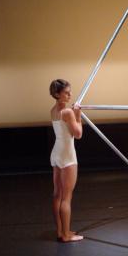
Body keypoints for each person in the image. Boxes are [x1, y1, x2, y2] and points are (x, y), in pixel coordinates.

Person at [50, 79, 83, 242]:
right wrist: (78, 115)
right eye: (66, 92)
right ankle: (66, 235)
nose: (70, 95)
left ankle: (61, 230)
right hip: (67, 154)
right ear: (57, 94)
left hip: (56, 152)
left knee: (57, 194)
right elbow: (78, 134)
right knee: (66, 197)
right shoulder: (68, 112)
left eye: (70, 91)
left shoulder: (53, 110)